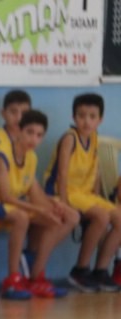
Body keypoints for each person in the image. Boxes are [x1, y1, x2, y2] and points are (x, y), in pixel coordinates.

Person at [0, 109, 79, 299]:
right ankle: (13, 279)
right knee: (21, 217)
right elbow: (5, 196)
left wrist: (54, 205)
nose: (34, 139)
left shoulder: (31, 157)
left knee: (68, 217)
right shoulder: (1, 154)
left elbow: (34, 192)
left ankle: (36, 276)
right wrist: (40, 209)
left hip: (9, 203)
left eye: (39, 135)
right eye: (30, 132)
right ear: (19, 131)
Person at [44, 93, 121, 292]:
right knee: (102, 217)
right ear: (74, 117)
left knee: (119, 218)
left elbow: (95, 173)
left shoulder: (94, 138)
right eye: (81, 116)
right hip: (63, 192)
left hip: (84, 194)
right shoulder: (70, 138)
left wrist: (98, 197)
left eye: (92, 116)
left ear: (100, 119)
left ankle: (101, 270)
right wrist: (63, 202)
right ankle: (80, 269)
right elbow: (61, 173)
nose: (86, 121)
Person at [0, 89, 31, 155]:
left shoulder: (28, 140)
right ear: (3, 114)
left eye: (24, 113)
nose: (19, 118)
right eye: (13, 112)